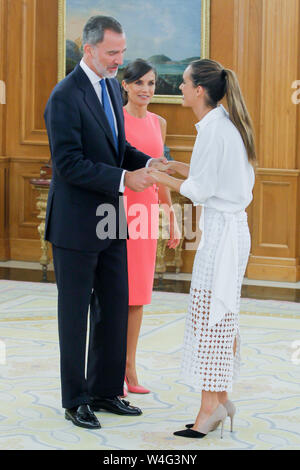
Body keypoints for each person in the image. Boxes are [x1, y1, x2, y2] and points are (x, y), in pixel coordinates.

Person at [44, 15, 169, 430]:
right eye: (112, 52)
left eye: (122, 51)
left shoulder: (111, 89)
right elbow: (69, 164)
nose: (120, 60)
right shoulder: (64, 96)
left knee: (114, 306)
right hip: (76, 223)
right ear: (90, 49)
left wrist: (148, 162)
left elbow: (119, 147)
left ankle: (104, 391)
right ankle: (75, 398)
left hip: (111, 218)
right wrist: (122, 178)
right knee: (75, 314)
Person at [150, 59, 256, 439]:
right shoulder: (221, 125)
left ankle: (209, 407)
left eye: (183, 83)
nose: (179, 87)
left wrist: (154, 176)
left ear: (199, 91)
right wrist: (173, 166)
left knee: (212, 317)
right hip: (226, 231)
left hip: (223, 235)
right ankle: (220, 399)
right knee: (217, 315)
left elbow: (200, 190)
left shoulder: (215, 130)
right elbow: (206, 175)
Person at [121, 59, 181, 395]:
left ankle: (130, 366)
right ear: (125, 85)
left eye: (151, 83)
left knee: (138, 295)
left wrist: (171, 217)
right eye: (139, 83)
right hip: (116, 212)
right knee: (117, 291)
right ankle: (111, 367)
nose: (146, 89)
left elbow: (160, 177)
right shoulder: (116, 119)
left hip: (146, 216)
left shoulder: (160, 122)